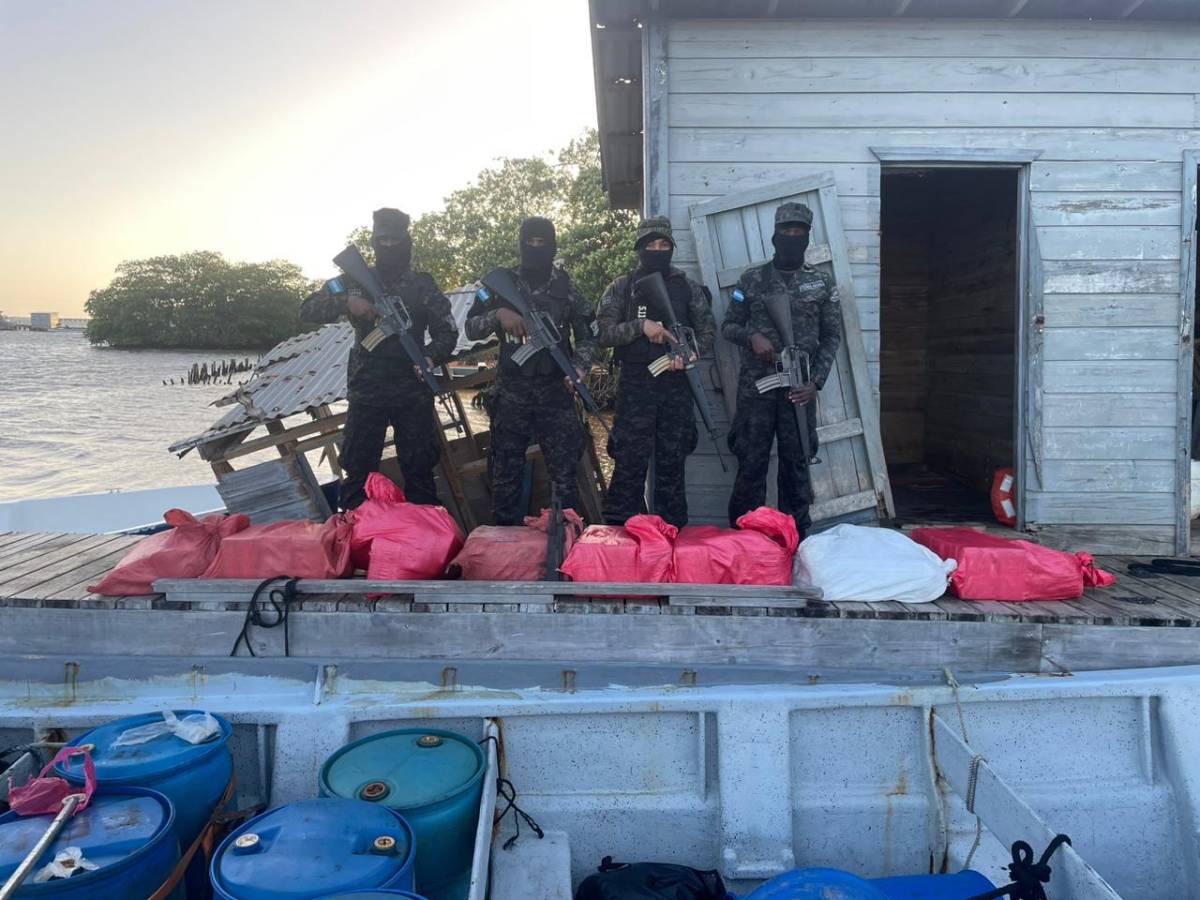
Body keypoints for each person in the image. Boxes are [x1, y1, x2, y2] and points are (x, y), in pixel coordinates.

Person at [300, 207, 458, 510]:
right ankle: (358, 529)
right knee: (358, 470)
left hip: (412, 389)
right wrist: (347, 301)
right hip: (367, 390)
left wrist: (430, 356)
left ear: (406, 241)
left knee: (420, 470)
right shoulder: (353, 281)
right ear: (374, 241)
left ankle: (424, 531)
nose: (389, 246)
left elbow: (447, 332)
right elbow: (307, 310)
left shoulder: (422, 285)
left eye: (395, 240)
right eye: (383, 240)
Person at [464, 217, 598, 525]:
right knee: (505, 473)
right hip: (512, 393)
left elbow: (589, 334)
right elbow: (471, 328)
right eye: (530, 242)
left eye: (542, 243)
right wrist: (499, 314)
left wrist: (579, 366)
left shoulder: (567, 287)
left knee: (564, 475)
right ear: (521, 244)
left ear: (552, 246)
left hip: (556, 392)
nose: (536, 248)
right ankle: (504, 540)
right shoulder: (500, 284)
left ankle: (565, 537)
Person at [721, 201, 842, 538]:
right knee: (751, 464)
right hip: (757, 388)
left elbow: (831, 337)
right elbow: (729, 325)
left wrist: (815, 382)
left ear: (807, 236)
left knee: (796, 467)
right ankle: (745, 540)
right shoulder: (752, 279)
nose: (792, 236)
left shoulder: (821, 283)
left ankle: (794, 539)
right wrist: (752, 337)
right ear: (775, 236)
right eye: (787, 230)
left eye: (799, 231)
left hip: (799, 390)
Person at [596, 216, 716, 528]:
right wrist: (641, 326)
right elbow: (603, 333)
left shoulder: (687, 287)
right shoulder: (622, 287)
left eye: (664, 245)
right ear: (640, 247)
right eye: (651, 244)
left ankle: (670, 536)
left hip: (676, 389)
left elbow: (707, 331)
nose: (658, 250)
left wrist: (691, 353)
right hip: (635, 389)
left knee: (672, 470)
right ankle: (619, 536)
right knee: (628, 466)